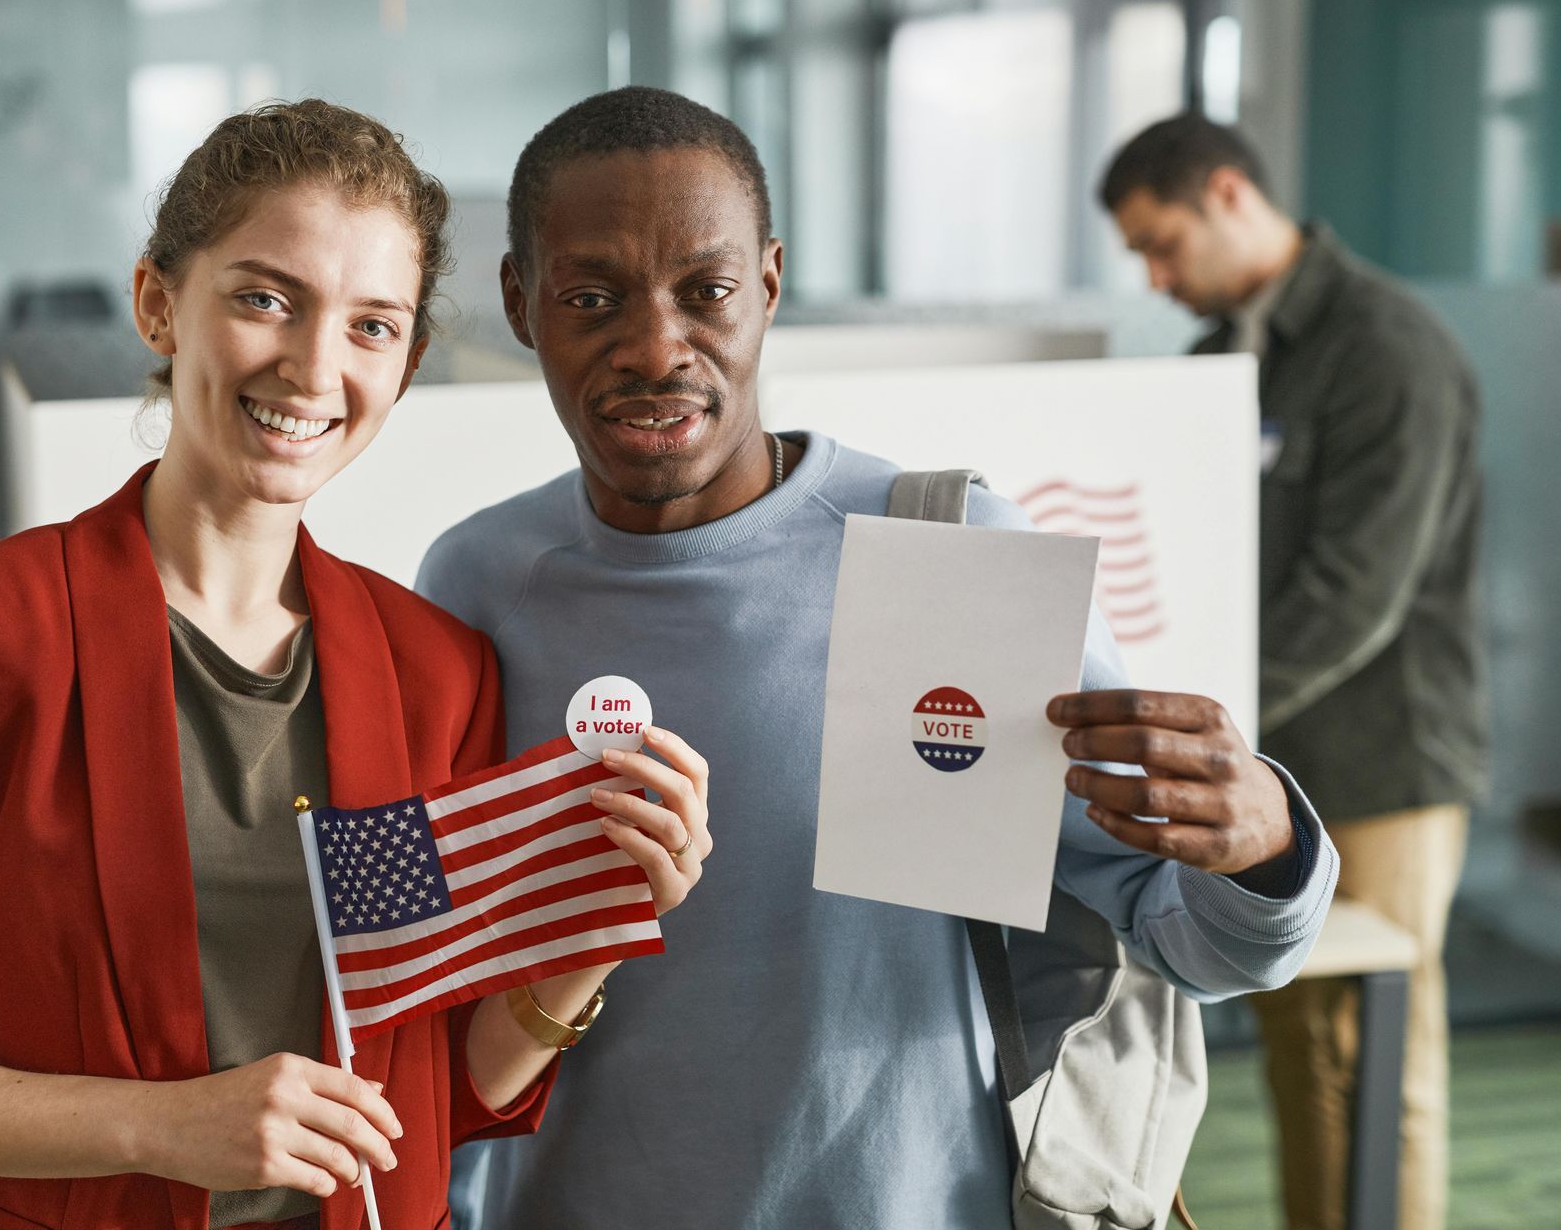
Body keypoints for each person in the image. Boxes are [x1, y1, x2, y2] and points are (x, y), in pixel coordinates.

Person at [0, 100, 711, 1230]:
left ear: (408, 362)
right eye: (264, 298)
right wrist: (160, 1122)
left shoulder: (431, 671)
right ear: (159, 302)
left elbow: (426, 1092)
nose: (311, 367)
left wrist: (586, 938)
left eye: (370, 325)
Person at [415, 86, 1339, 1230]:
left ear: (768, 282)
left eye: (706, 291)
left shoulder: (943, 554)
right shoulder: (472, 585)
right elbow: (439, 984)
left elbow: (1184, 935)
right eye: (592, 297)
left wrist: (1265, 847)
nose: (657, 347)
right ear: (520, 300)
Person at [1100, 111, 1484, 1230]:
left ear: (1230, 193)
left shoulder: (1386, 348)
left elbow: (1353, 596)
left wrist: (1201, 721)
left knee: (1374, 1064)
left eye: (1162, 243)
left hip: (1384, 763)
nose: (1157, 276)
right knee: (1300, 1050)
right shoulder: (1219, 357)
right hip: (1268, 760)